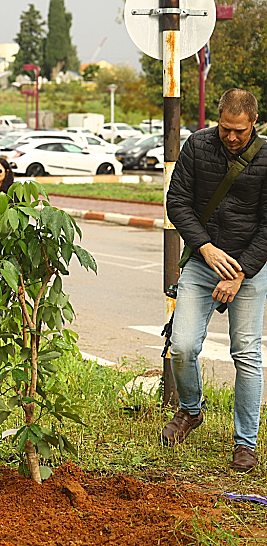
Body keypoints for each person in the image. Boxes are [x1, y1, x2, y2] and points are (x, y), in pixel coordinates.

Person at [164, 88, 267, 473]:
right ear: (218, 118)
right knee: (184, 344)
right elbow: (177, 202)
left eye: (240, 131)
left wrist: (241, 271)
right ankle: (191, 411)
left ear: (253, 122)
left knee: (247, 355)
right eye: (226, 128)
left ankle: (245, 443)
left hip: (249, 268)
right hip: (204, 261)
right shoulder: (197, 145)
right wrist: (205, 249)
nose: (232, 137)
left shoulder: (266, 156)